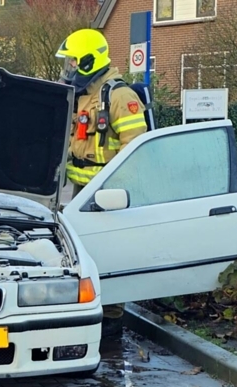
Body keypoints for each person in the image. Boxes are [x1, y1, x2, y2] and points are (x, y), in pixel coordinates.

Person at [56, 29, 148, 337]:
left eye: (71, 63)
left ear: (87, 62)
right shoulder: (83, 97)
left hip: (109, 192)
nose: (68, 69)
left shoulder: (120, 97)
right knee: (82, 252)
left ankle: (111, 320)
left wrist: (112, 186)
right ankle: (90, 308)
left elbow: (135, 148)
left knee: (109, 252)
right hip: (82, 193)